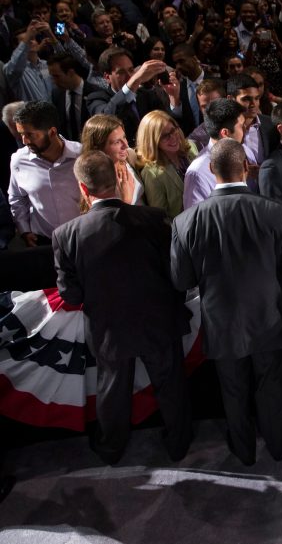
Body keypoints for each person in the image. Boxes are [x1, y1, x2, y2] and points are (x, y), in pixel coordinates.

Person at [172, 138, 282, 465]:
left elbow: (181, 281)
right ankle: (276, 444)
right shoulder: (276, 212)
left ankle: (243, 450)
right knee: (271, 386)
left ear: (211, 169)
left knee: (233, 392)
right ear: (246, 168)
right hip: (270, 319)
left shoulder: (186, 221)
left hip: (223, 324)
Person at [52, 150, 192, 465]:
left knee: (112, 391)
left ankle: (112, 448)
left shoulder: (65, 235)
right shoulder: (152, 219)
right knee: (171, 386)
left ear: (83, 189)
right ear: (118, 178)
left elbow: (71, 296)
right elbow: (176, 271)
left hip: (109, 328)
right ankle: (179, 443)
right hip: (158, 321)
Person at [8, 101, 82, 247]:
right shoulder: (18, 161)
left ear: (52, 132)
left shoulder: (82, 155)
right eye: (21, 134)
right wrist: (24, 230)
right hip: (44, 243)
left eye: (30, 134)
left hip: (83, 240)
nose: (24, 141)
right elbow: (17, 197)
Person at [183, 98, 256, 209]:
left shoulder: (245, 150)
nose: (246, 129)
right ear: (225, 133)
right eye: (241, 126)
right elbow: (196, 219)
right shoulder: (197, 174)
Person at [136, 110, 197, 218]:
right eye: (164, 136)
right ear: (152, 141)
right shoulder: (152, 174)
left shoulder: (191, 148)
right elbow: (161, 217)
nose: (173, 137)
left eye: (173, 130)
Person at [81, 114, 143, 206]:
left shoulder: (130, 156)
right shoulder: (94, 182)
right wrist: (126, 202)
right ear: (99, 148)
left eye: (124, 137)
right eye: (117, 142)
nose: (125, 145)